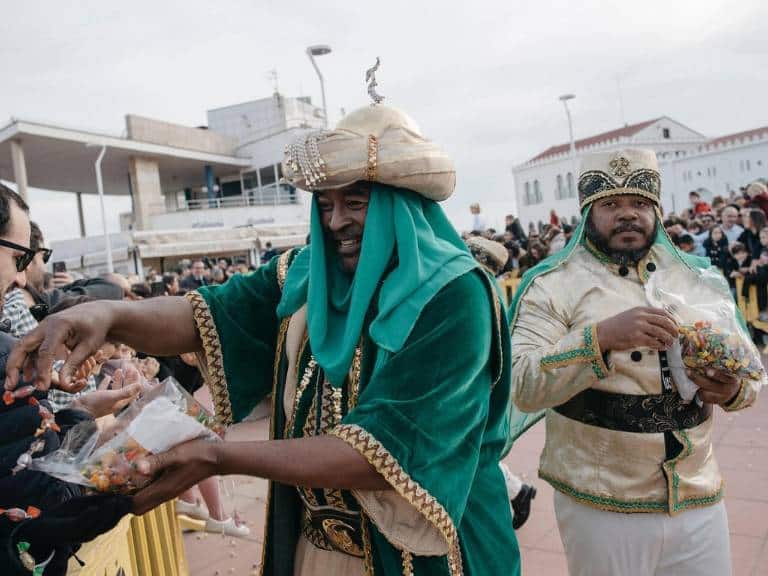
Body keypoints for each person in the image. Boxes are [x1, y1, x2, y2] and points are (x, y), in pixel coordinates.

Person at [8, 88, 520, 575]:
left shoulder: (454, 296)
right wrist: (107, 316)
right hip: (318, 547)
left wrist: (217, 455)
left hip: (427, 553)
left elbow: (385, 451)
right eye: (324, 204)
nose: (336, 220)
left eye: (356, 202)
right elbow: (207, 313)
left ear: (400, 204)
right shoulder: (303, 273)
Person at [509, 149, 758, 576]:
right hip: (600, 500)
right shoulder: (552, 285)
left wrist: (733, 391)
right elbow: (521, 384)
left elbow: (747, 373)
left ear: (656, 211)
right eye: (611, 205)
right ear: (588, 211)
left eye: (640, 204)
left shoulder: (697, 277)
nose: (628, 215)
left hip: (698, 491)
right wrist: (601, 338)